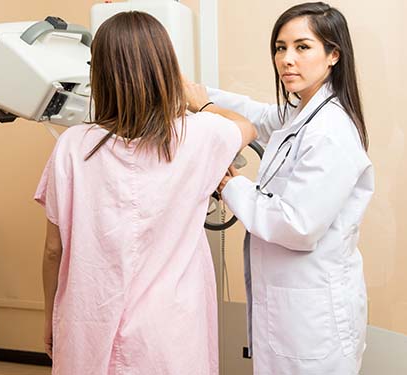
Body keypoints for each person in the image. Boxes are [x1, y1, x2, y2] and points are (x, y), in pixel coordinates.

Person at [34, 11, 256, 375]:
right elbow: (244, 126)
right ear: (167, 69)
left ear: (99, 74)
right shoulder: (198, 134)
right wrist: (198, 101)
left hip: (91, 323)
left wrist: (50, 317)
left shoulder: (72, 146)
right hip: (169, 331)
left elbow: (53, 249)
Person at [186, 2, 374, 374]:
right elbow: (261, 116)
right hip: (293, 310)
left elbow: (297, 225)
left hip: (312, 319)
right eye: (280, 47)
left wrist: (230, 184)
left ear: (333, 54)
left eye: (303, 47)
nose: (287, 59)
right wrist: (201, 95)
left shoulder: (330, 132)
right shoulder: (303, 113)